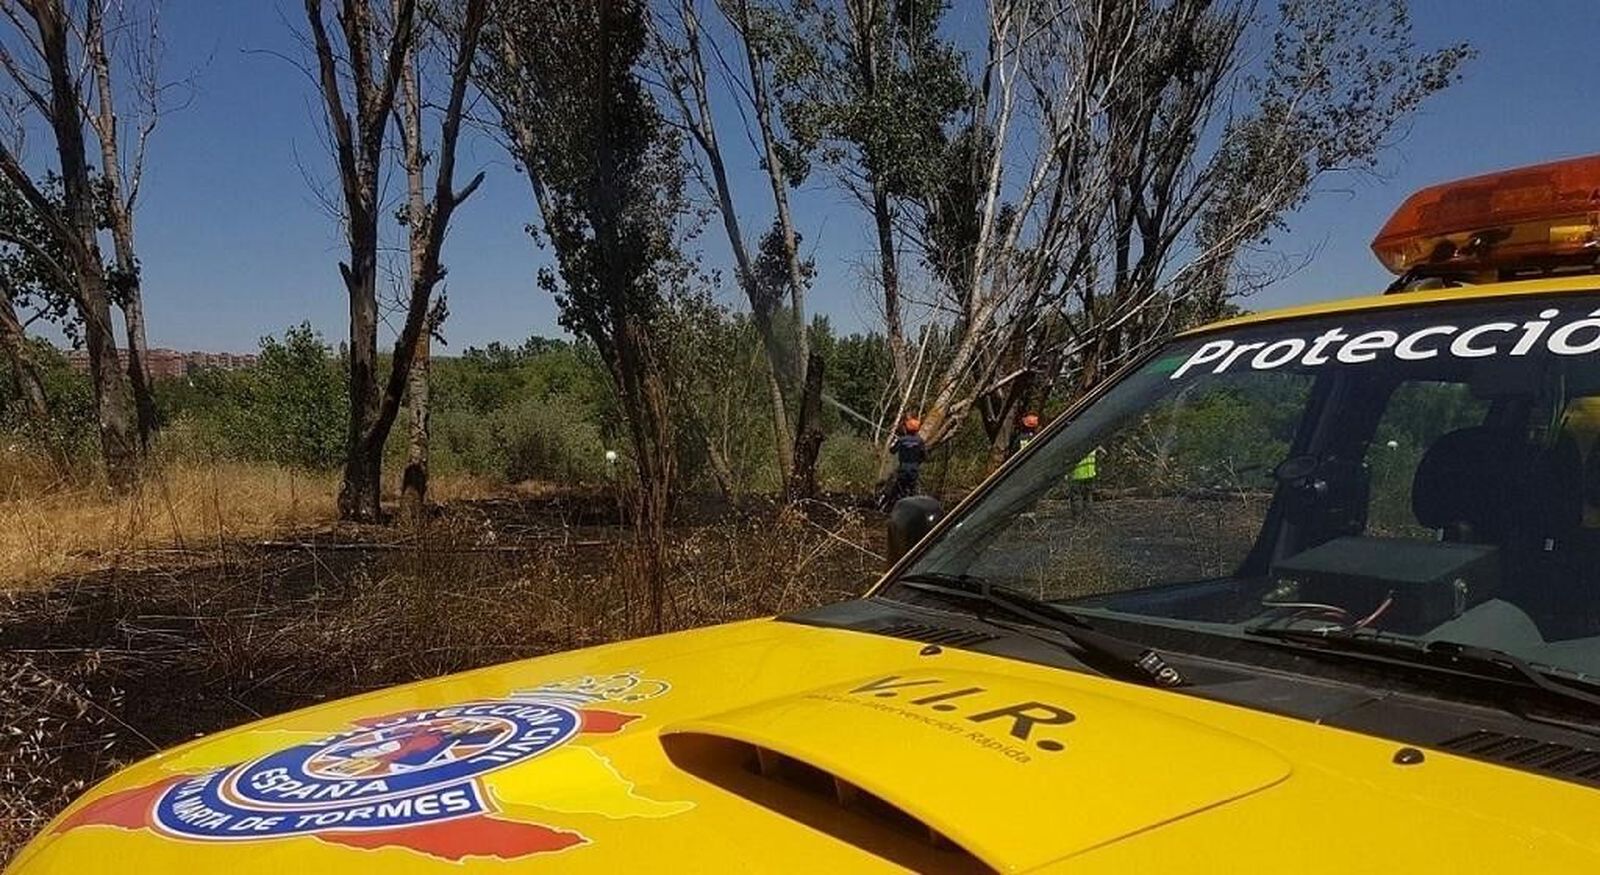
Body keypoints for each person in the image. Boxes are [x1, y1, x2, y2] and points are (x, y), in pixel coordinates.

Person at [888, 416, 927, 503]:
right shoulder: (920, 441)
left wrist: (894, 440)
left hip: (903, 469)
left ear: (906, 428)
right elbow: (924, 456)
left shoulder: (901, 440)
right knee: (912, 491)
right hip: (914, 469)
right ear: (917, 430)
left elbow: (892, 450)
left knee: (899, 490)